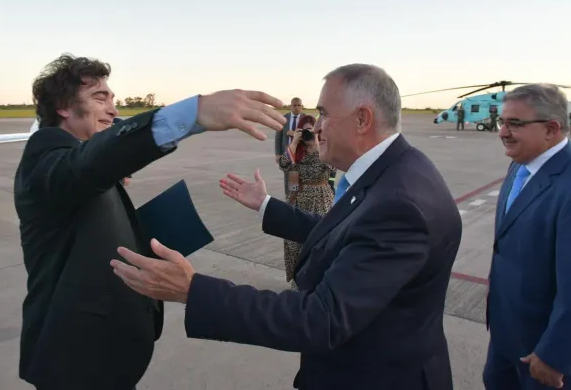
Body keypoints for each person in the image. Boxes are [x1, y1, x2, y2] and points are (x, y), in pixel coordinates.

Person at [111, 63, 462, 390]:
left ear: (362, 119)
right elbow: (345, 234)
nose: (317, 126)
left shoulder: (399, 205)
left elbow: (321, 319)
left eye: (324, 113)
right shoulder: (394, 170)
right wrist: (266, 206)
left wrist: (194, 290)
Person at [13, 53, 285, 390]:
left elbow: (92, 180)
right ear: (64, 107)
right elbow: (84, 167)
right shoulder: (46, 155)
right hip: (76, 364)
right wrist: (193, 113)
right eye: (100, 97)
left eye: (112, 98)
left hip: (104, 357)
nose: (114, 109)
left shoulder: (79, 160)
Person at [483, 83, 571, 390]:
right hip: (506, 337)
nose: (502, 132)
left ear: (551, 129)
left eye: (515, 124)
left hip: (543, 353)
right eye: (502, 122)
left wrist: (555, 353)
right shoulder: (520, 164)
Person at [278, 114, 335, 289]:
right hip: (299, 199)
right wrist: (294, 143)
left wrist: (317, 144)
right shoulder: (297, 152)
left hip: (321, 200)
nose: (309, 135)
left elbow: (332, 167)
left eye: (312, 130)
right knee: (295, 244)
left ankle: (319, 282)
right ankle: (298, 281)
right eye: (305, 131)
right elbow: (283, 165)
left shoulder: (325, 149)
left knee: (320, 242)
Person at [275, 97, 304, 195]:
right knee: (289, 178)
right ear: (290, 106)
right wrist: (278, 153)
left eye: (299, 105)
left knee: (301, 179)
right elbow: (278, 137)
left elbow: (311, 136)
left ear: (302, 107)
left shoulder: (306, 119)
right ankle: (290, 201)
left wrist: (293, 133)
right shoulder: (284, 119)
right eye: (294, 105)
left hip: (301, 154)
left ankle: (299, 201)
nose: (297, 108)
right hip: (287, 154)